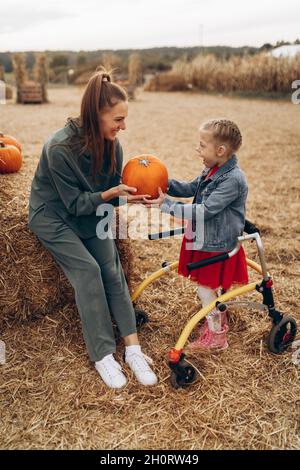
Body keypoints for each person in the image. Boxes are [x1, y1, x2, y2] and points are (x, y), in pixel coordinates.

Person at [28, 68, 158, 389]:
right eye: (118, 120)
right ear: (95, 115)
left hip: (93, 210)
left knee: (112, 270)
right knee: (87, 271)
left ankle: (133, 350)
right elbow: (73, 204)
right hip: (54, 215)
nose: (123, 126)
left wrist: (135, 198)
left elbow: (115, 194)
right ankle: (103, 355)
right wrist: (110, 195)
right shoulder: (58, 149)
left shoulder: (114, 145)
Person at [143, 119, 249, 350]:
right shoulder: (214, 168)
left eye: (202, 146)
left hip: (217, 244)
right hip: (205, 239)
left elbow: (204, 210)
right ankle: (217, 315)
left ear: (220, 150)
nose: (197, 150)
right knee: (208, 288)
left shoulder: (232, 179)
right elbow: (192, 188)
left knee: (204, 288)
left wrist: (165, 205)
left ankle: (217, 337)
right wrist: (162, 183)